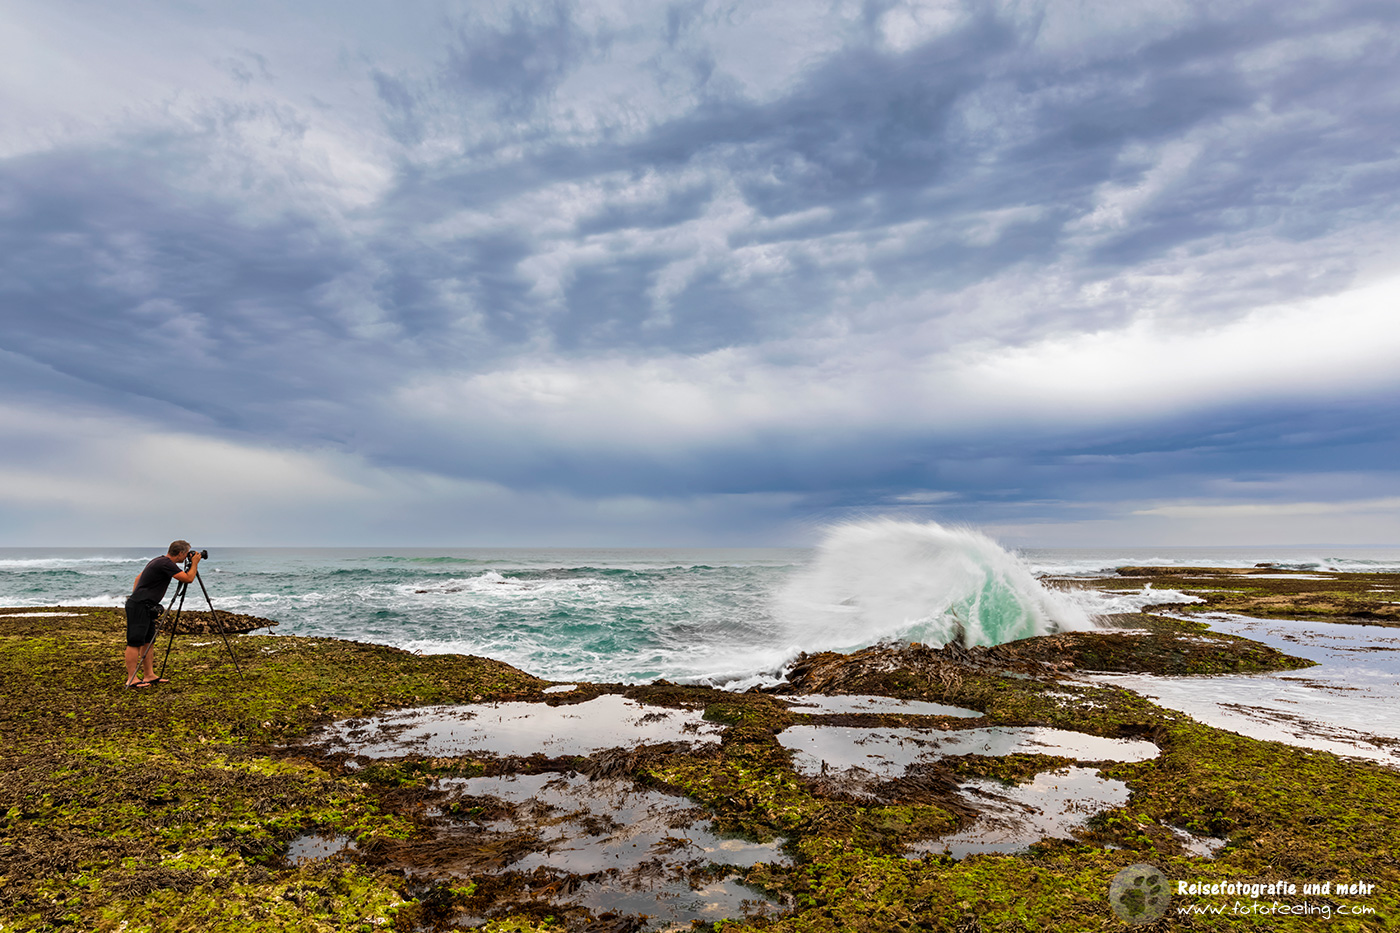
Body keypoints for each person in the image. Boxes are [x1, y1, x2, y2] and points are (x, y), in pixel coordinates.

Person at [124, 540, 200, 688]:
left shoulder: (158, 561)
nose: (187, 557)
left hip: (146, 606)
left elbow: (138, 578)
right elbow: (188, 578)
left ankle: (149, 675)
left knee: (148, 641)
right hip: (140, 606)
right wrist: (195, 563)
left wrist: (139, 596)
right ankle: (131, 679)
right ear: (180, 553)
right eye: (186, 554)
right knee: (135, 642)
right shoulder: (166, 564)